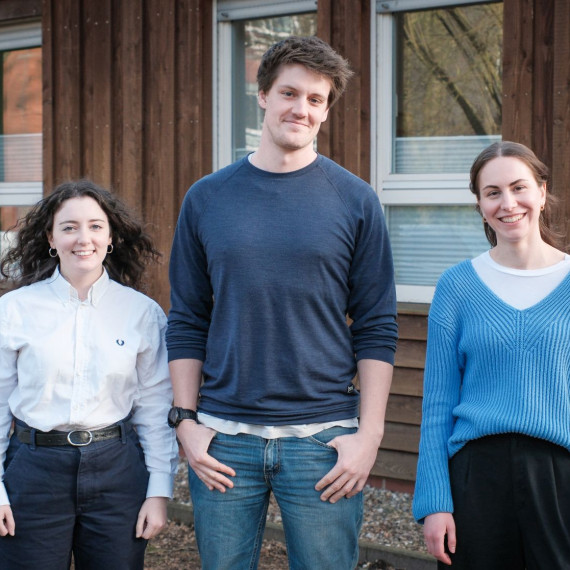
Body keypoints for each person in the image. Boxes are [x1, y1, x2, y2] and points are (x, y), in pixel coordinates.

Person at [166, 35, 398, 569]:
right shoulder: (207, 197)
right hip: (225, 440)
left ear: (326, 111)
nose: (303, 108)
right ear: (264, 95)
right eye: (290, 93)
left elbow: (377, 325)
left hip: (323, 442)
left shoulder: (356, 200)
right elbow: (187, 319)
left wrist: (370, 435)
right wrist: (185, 421)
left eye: (316, 100)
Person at [0, 180, 179, 569]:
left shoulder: (142, 313)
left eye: (96, 226)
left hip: (117, 471)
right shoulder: (13, 311)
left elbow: (154, 407)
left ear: (110, 236)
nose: (84, 238)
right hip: (33, 472)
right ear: (51, 237)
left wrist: (158, 491)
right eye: (69, 227)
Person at [413, 141, 570, 569]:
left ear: (541, 190)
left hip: (560, 476)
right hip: (476, 479)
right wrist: (434, 502)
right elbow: (437, 405)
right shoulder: (457, 286)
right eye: (493, 192)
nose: (508, 203)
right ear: (480, 204)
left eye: (519, 187)